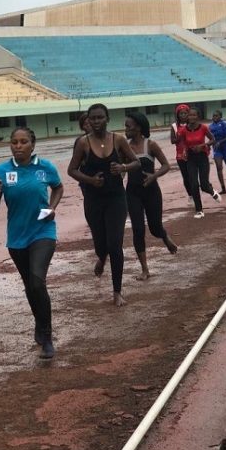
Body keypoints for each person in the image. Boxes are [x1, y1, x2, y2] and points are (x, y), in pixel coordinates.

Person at [0, 127, 64, 358]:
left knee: (38, 281)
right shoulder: (1, 171)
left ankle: (47, 337)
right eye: (14, 142)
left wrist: (52, 207)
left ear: (33, 145)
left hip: (43, 231)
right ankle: (39, 324)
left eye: (23, 142)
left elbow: (58, 187)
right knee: (30, 285)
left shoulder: (45, 167)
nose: (18, 146)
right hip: (17, 237)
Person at [68, 103, 140, 307]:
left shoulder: (118, 140)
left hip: (116, 198)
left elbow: (136, 162)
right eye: (93, 118)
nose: (97, 121)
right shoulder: (83, 143)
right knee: (101, 244)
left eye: (100, 117)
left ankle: (117, 292)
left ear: (107, 118)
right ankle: (101, 257)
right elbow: (71, 170)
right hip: (93, 200)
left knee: (115, 244)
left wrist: (123, 167)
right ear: (88, 121)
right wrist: (90, 181)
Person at [124, 113, 177, 280]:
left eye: (128, 126)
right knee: (138, 229)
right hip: (132, 193)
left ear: (139, 127)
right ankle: (145, 269)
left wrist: (153, 176)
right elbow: (121, 170)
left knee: (154, 228)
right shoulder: (124, 147)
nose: (125, 130)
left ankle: (164, 236)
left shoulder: (151, 145)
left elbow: (166, 165)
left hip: (152, 191)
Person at [176, 107, 221, 219]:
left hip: (202, 157)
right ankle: (199, 210)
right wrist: (185, 151)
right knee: (194, 184)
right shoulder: (184, 130)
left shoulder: (203, 128)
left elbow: (212, 140)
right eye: (189, 115)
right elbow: (182, 143)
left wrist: (203, 146)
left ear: (198, 117)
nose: (191, 117)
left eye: (194, 115)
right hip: (191, 158)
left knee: (204, 184)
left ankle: (212, 192)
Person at [170, 103, 193, 205]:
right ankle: (190, 195)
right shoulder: (174, 126)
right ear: (178, 115)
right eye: (181, 113)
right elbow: (172, 140)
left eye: (185, 113)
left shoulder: (192, 124)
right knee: (186, 176)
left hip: (191, 153)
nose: (183, 115)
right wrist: (179, 137)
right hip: (180, 155)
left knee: (192, 175)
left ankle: (195, 192)